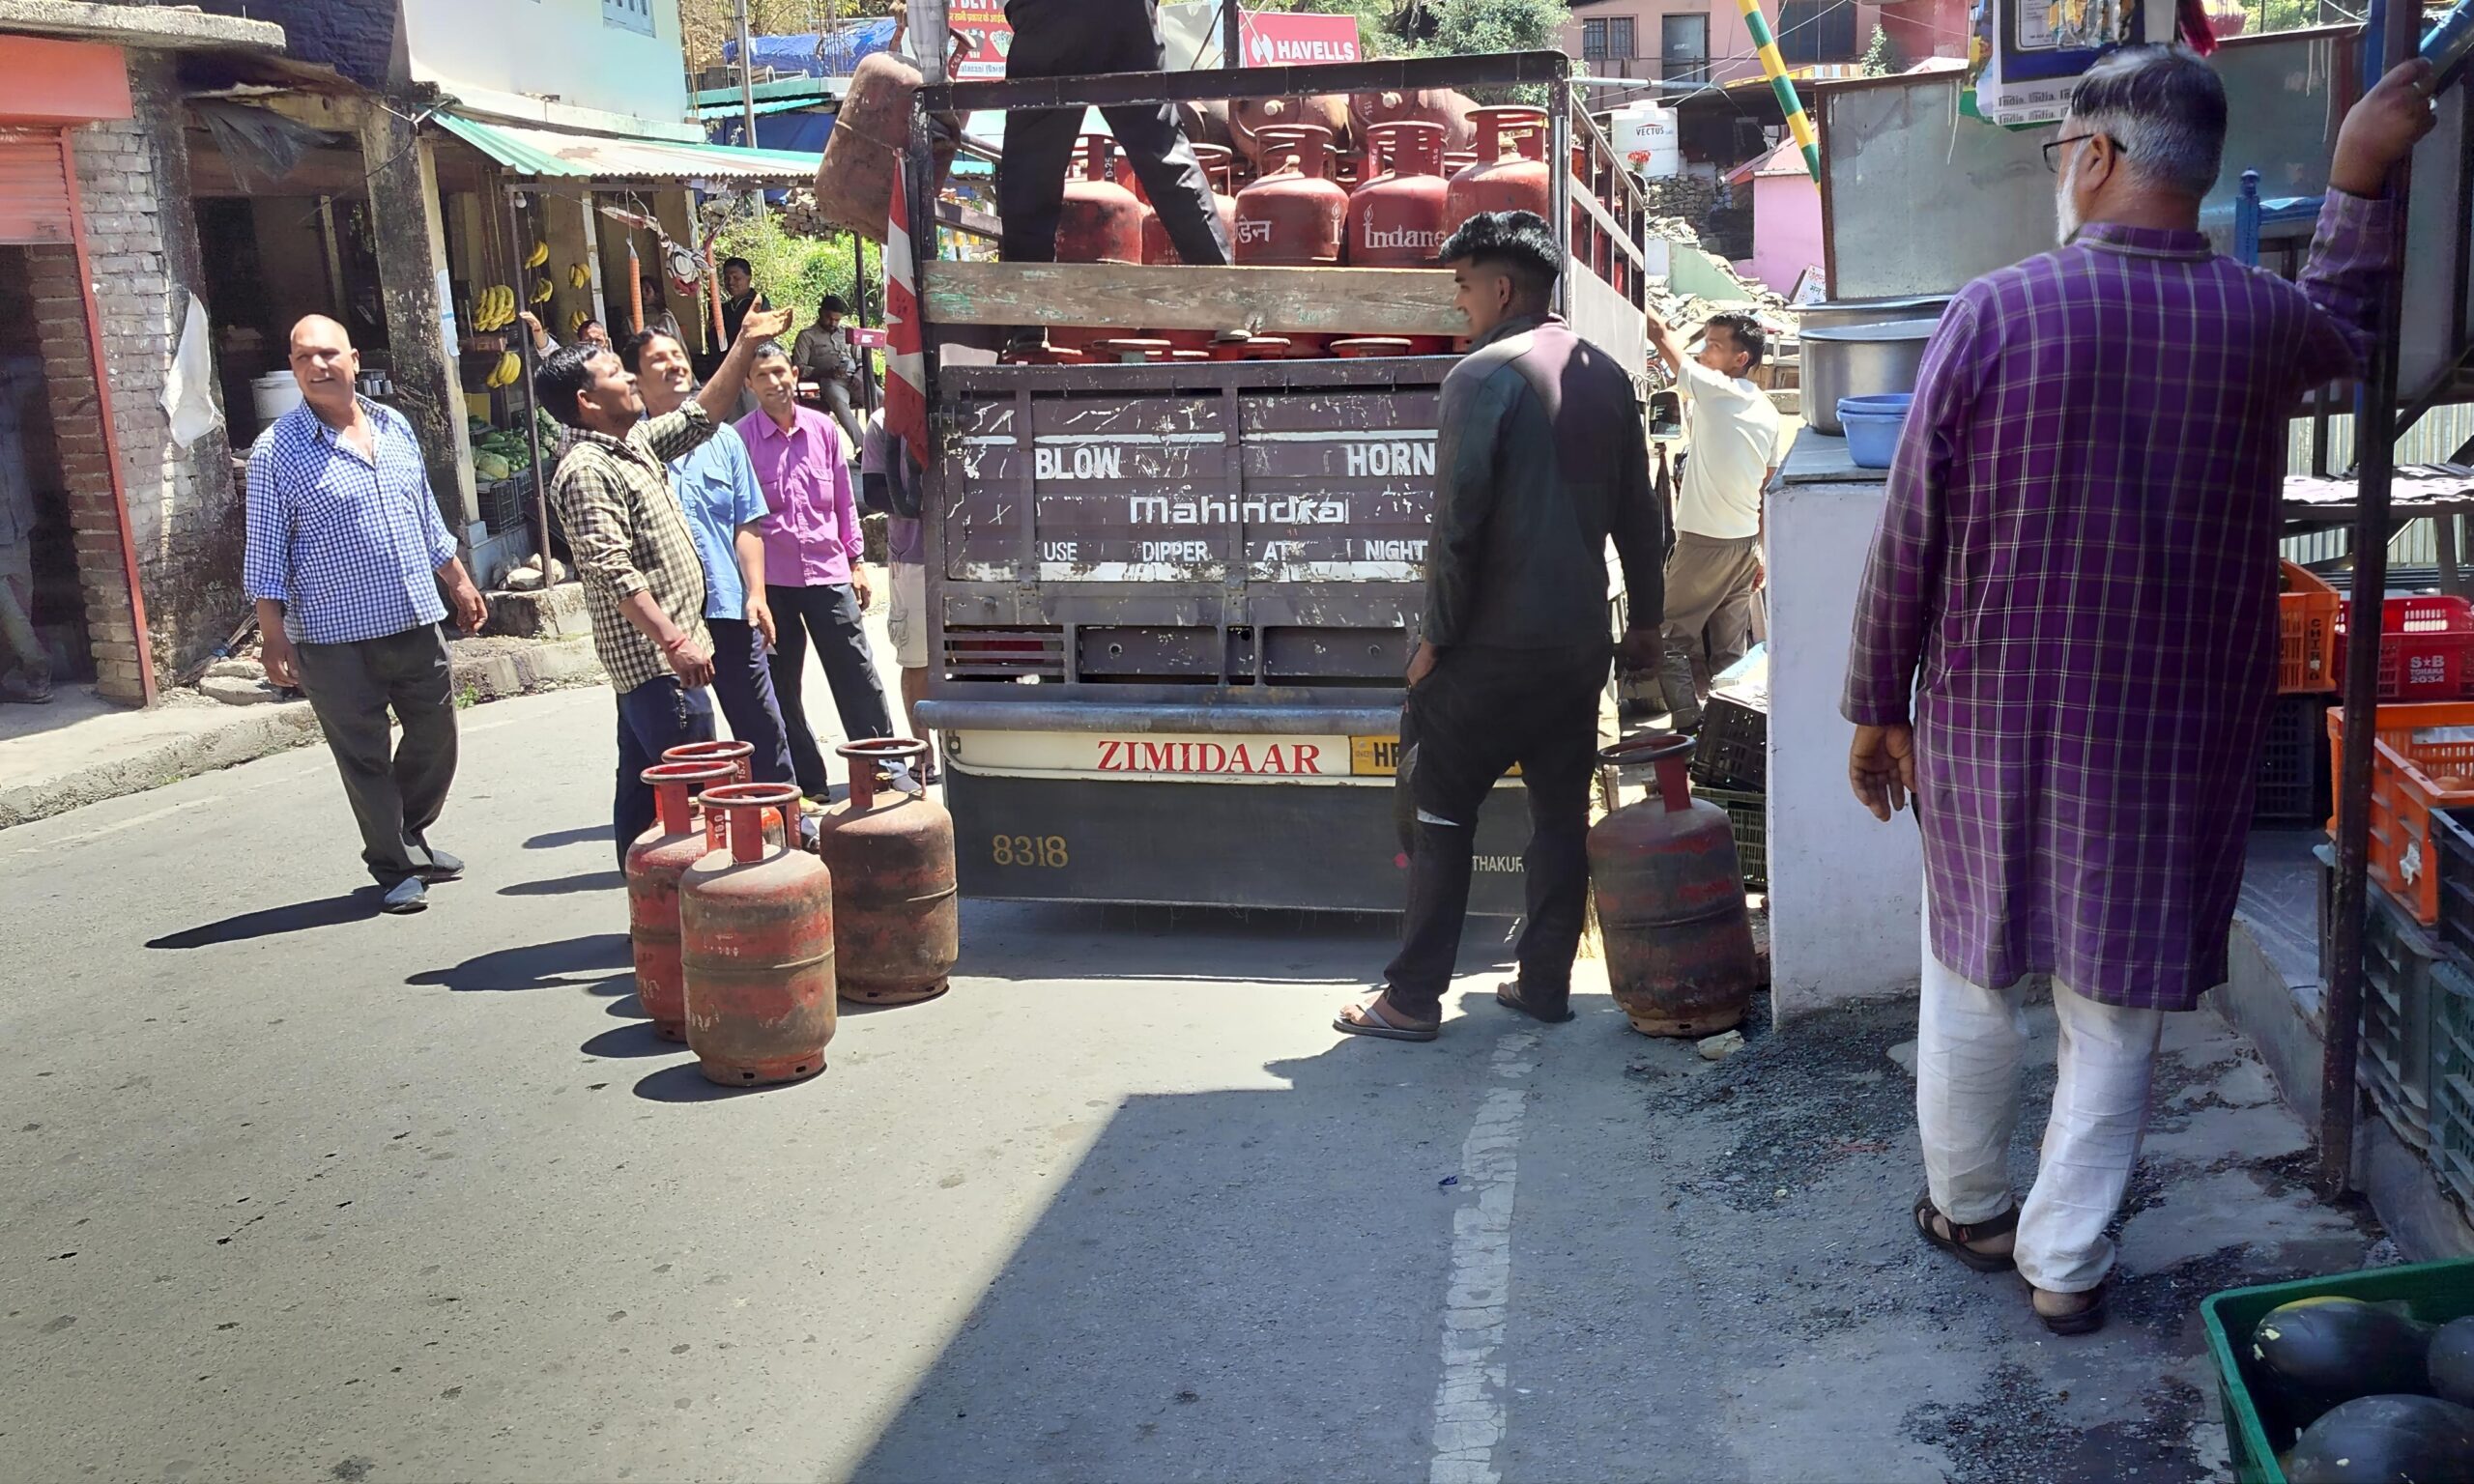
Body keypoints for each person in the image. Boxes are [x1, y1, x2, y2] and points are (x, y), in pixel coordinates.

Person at [1844, 45, 2435, 1335]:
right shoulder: (2258, 322)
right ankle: (2064, 1261)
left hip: (1995, 715)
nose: (2065, 174)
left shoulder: (1998, 313)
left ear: (2098, 157)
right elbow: (2349, 318)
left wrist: (1876, 702)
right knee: (2110, 1004)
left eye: (2063, 153)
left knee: (1971, 970)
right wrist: (2357, 175)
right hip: (2168, 730)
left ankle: (1974, 1206)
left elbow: (1911, 534)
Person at [1336, 211, 1667, 1042]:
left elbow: (1457, 529)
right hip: (1578, 646)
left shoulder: (1481, 378)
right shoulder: (1609, 378)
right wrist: (1648, 628)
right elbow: (1642, 521)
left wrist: (1433, 642)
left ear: (1504, 287)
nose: (1460, 302)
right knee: (1561, 812)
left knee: (1441, 809)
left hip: (1488, 651)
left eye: (1464, 286)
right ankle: (1545, 983)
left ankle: (1411, 998)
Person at [244, 315, 490, 914]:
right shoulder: (276, 450)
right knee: (364, 753)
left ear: (354, 359)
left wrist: (457, 579)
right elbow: (265, 547)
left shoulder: (393, 425)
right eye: (302, 358)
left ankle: (408, 831)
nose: (317, 366)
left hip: (411, 615)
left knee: (437, 736)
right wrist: (271, 634)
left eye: (327, 354)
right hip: (331, 635)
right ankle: (392, 863)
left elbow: (424, 516)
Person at [536, 300, 794, 867]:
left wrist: (747, 343)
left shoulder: (634, 446)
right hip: (658, 666)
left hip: (664, 660)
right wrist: (674, 641)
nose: (629, 377)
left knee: (641, 787)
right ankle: (701, 919)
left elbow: (703, 415)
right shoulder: (586, 469)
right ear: (586, 401)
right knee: (695, 796)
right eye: (614, 373)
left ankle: (651, 918)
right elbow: (611, 568)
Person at [622, 328, 797, 795]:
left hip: (728, 604)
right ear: (636, 380)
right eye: (659, 359)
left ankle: (783, 820)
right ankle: (695, 838)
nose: (675, 364)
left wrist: (756, 593)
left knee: (761, 723)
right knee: (684, 741)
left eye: (678, 355)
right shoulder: (630, 447)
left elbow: (747, 523)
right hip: (671, 619)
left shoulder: (725, 441)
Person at [998, 0, 1230, 348]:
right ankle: (1230, 306)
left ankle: (1027, 324)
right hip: (1126, 10)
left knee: (1031, 167)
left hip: (1048, 13)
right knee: (1164, 151)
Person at [739, 343, 897, 800]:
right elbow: (740, 519)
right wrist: (753, 592)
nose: (773, 384)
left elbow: (845, 502)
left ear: (793, 373)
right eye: (761, 377)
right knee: (782, 687)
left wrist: (857, 562)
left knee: (857, 674)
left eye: (778, 372)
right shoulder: (740, 439)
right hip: (773, 583)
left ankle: (880, 769)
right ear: (748, 384)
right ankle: (808, 783)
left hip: (829, 572)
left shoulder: (823, 428)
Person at [1645, 311, 1785, 732]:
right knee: (1731, 652)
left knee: (1669, 639)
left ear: (1740, 358)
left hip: (1705, 544)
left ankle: (1689, 730)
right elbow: (1766, 484)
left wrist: (1643, 308)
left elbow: (1660, 333)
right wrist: (1760, 548)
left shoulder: (1717, 390)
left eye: (1714, 345)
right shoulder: (1766, 409)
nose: (1704, 352)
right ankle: (1734, 733)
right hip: (1744, 545)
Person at [862, 407, 935, 783]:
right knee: (917, 658)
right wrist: (921, 503)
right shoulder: (883, 421)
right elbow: (874, 491)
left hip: (973, 550)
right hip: (914, 554)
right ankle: (923, 752)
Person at [0, 356, 52, 704]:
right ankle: (39, 668)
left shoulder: (7, 399)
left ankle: (10, 676)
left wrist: (5, 371)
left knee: (20, 606)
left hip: (18, 524)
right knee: (11, 612)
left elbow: (40, 366)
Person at [792, 295, 866, 449]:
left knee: (882, 399)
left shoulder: (846, 333)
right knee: (840, 404)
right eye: (829, 318)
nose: (833, 323)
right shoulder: (807, 336)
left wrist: (860, 372)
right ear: (820, 313)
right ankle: (865, 448)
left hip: (856, 378)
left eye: (837, 320)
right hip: (829, 381)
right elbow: (799, 367)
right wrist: (826, 371)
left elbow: (861, 358)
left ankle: (888, 446)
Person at [718, 257, 769, 348]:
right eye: (726, 278)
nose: (730, 282)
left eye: (736, 278)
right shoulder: (724, 308)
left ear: (749, 278)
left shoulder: (759, 302)